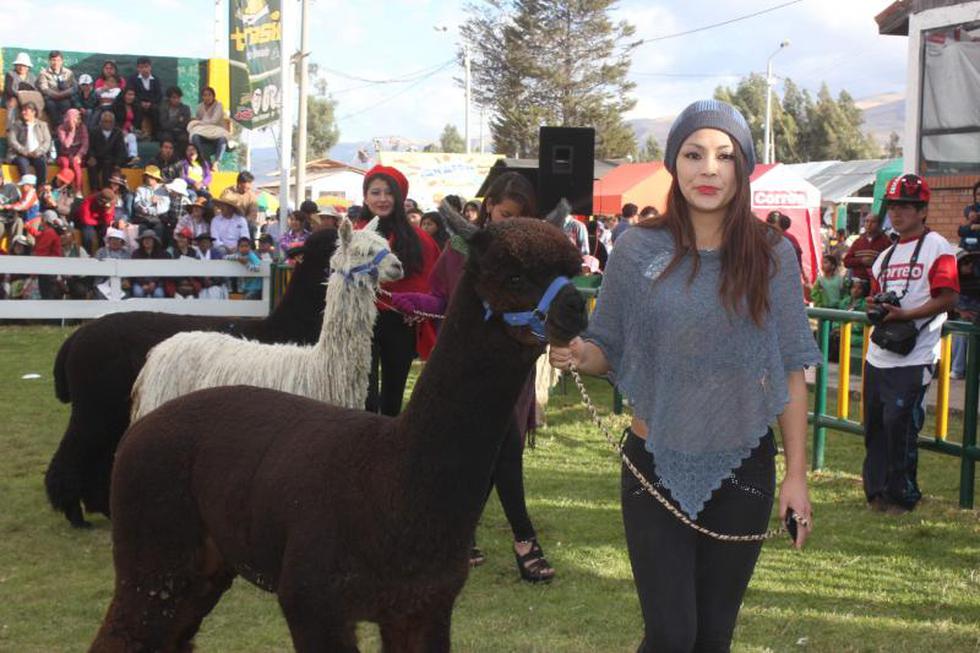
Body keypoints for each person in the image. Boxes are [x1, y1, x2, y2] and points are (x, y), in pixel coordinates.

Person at [550, 100, 818, 651]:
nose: (709, 169)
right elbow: (608, 346)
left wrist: (797, 476)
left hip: (745, 469)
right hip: (652, 464)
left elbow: (793, 370)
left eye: (724, 156)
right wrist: (580, 353)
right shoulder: (636, 248)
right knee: (673, 635)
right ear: (675, 164)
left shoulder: (772, 255)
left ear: (742, 166)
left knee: (713, 637)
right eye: (694, 154)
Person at [389, 171, 555, 581]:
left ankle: (462, 537)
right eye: (502, 214)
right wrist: (407, 300)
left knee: (497, 452)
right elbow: (440, 297)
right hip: (464, 372)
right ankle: (522, 541)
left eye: (517, 216)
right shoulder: (460, 248)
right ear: (487, 209)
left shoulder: (532, 256)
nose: (507, 223)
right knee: (500, 450)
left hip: (511, 368)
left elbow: (545, 308)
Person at [863, 174, 958, 516]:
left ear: (922, 210)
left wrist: (907, 315)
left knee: (900, 425)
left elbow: (948, 297)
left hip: (915, 355)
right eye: (893, 207)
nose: (898, 214)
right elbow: (873, 297)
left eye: (906, 207)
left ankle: (902, 497)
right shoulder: (884, 255)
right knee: (874, 426)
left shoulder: (939, 248)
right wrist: (876, 307)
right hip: (879, 354)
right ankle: (875, 495)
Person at [360, 164, 439, 417]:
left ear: (399, 197)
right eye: (375, 192)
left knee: (393, 397)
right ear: (365, 196)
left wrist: (420, 306)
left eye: (389, 193)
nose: (382, 199)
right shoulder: (354, 234)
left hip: (400, 321)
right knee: (365, 396)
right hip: (362, 321)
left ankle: (387, 449)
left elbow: (432, 281)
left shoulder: (420, 239)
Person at [7, 102, 52, 185]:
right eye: (22, 110)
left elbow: (47, 141)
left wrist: (38, 152)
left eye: (26, 110)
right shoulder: (17, 125)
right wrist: (24, 151)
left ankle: (41, 188)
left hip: (37, 154)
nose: (23, 112)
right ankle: (27, 187)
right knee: (22, 163)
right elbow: (12, 140)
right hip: (21, 154)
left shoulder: (42, 125)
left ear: (33, 112)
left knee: (41, 164)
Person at [187, 86, 230, 169]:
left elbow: (213, 121)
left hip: (216, 132)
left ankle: (217, 162)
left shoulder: (219, 105)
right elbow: (197, 119)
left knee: (223, 139)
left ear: (213, 96)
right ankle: (203, 160)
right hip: (203, 132)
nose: (207, 97)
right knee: (195, 137)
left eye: (209, 95)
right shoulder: (200, 107)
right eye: (205, 95)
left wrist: (199, 122)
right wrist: (197, 123)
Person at [843, 212, 891, 283]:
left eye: (873, 222)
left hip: (877, 282)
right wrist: (861, 261)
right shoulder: (858, 242)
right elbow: (846, 262)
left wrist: (875, 262)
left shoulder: (886, 242)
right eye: (867, 221)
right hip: (858, 284)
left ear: (879, 225)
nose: (869, 224)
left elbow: (890, 262)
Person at [86, 111, 128, 189]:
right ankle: (95, 190)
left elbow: (121, 150)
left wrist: (118, 163)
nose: (108, 124)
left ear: (113, 122)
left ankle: (106, 189)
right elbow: (89, 147)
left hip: (111, 159)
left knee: (108, 165)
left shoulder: (118, 132)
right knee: (91, 166)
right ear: (100, 122)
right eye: (105, 121)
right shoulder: (94, 131)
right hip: (97, 157)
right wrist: (91, 156)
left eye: (110, 122)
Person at [37, 50, 76, 127]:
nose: (55, 63)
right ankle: (57, 128)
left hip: (65, 97)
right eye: (53, 60)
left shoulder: (69, 73)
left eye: (58, 60)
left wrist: (62, 94)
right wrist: (56, 95)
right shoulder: (44, 73)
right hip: (50, 98)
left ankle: (65, 127)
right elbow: (44, 88)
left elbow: (74, 87)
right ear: (49, 61)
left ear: (62, 61)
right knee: (50, 105)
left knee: (66, 104)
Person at [132, 165, 171, 242]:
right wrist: (150, 203)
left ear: (156, 178)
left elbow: (165, 207)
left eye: (151, 176)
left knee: (159, 228)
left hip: (159, 218)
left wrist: (155, 205)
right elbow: (137, 204)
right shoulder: (140, 189)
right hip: (143, 218)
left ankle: (157, 251)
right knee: (142, 229)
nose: (149, 178)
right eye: (147, 176)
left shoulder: (163, 189)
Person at [126, 56, 162, 139]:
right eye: (141, 67)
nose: (144, 69)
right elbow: (130, 93)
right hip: (137, 103)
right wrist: (140, 102)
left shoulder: (156, 80)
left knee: (155, 110)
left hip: (152, 104)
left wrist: (150, 103)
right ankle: (137, 132)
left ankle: (155, 134)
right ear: (138, 68)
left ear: (150, 67)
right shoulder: (133, 79)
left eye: (146, 67)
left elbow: (159, 95)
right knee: (137, 109)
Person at [130, 229, 170, 297]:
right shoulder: (136, 254)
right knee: (138, 293)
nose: (147, 241)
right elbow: (134, 271)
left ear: (154, 241)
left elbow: (163, 271)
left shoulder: (162, 254)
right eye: (144, 239)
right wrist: (143, 284)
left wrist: (154, 283)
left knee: (159, 294)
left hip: (157, 283)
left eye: (149, 239)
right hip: (140, 282)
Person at [55, 108, 88, 192]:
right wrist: (72, 131)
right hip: (64, 154)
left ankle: (78, 190)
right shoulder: (61, 128)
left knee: (75, 163)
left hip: (77, 155)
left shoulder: (82, 127)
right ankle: (64, 187)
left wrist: (79, 155)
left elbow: (85, 144)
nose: (78, 121)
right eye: (76, 118)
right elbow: (66, 145)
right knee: (65, 163)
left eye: (79, 119)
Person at [0, 174, 40, 241]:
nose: (21, 187)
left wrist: (10, 206)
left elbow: (23, 206)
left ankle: (29, 251)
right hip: (27, 219)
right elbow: (20, 202)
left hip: (33, 220)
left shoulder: (32, 194)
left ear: (30, 185)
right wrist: (12, 205)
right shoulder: (25, 193)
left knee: (30, 239)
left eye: (23, 185)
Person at [3, 52, 38, 129]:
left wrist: (26, 98)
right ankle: (10, 128)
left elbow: (35, 91)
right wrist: (20, 96)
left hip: (28, 100)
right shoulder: (10, 74)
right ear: (16, 65)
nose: (22, 67)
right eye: (19, 65)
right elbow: (10, 90)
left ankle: (34, 129)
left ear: (28, 67)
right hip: (12, 98)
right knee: (13, 102)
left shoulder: (32, 77)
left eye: (24, 65)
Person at [77, 188, 116, 254]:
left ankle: (102, 252)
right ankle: (87, 253)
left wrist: (107, 211)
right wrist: (98, 222)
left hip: (100, 222)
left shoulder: (110, 205)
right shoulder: (89, 200)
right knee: (88, 235)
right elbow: (85, 219)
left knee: (105, 232)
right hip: (88, 222)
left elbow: (108, 221)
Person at [111, 87, 141, 165]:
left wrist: (133, 128)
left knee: (131, 137)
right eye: (129, 94)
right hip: (117, 132)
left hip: (130, 132)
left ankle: (133, 157)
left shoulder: (136, 107)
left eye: (133, 95)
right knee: (124, 140)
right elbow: (113, 122)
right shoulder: (116, 106)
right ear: (124, 95)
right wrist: (120, 130)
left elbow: (137, 122)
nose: (131, 97)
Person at [156, 87, 191, 151]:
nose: (176, 100)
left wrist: (172, 122)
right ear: (169, 98)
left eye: (178, 98)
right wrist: (178, 119)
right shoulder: (163, 108)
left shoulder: (185, 108)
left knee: (184, 139)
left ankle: (181, 158)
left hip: (181, 131)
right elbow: (164, 125)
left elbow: (185, 124)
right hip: (167, 132)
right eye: (174, 98)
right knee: (166, 138)